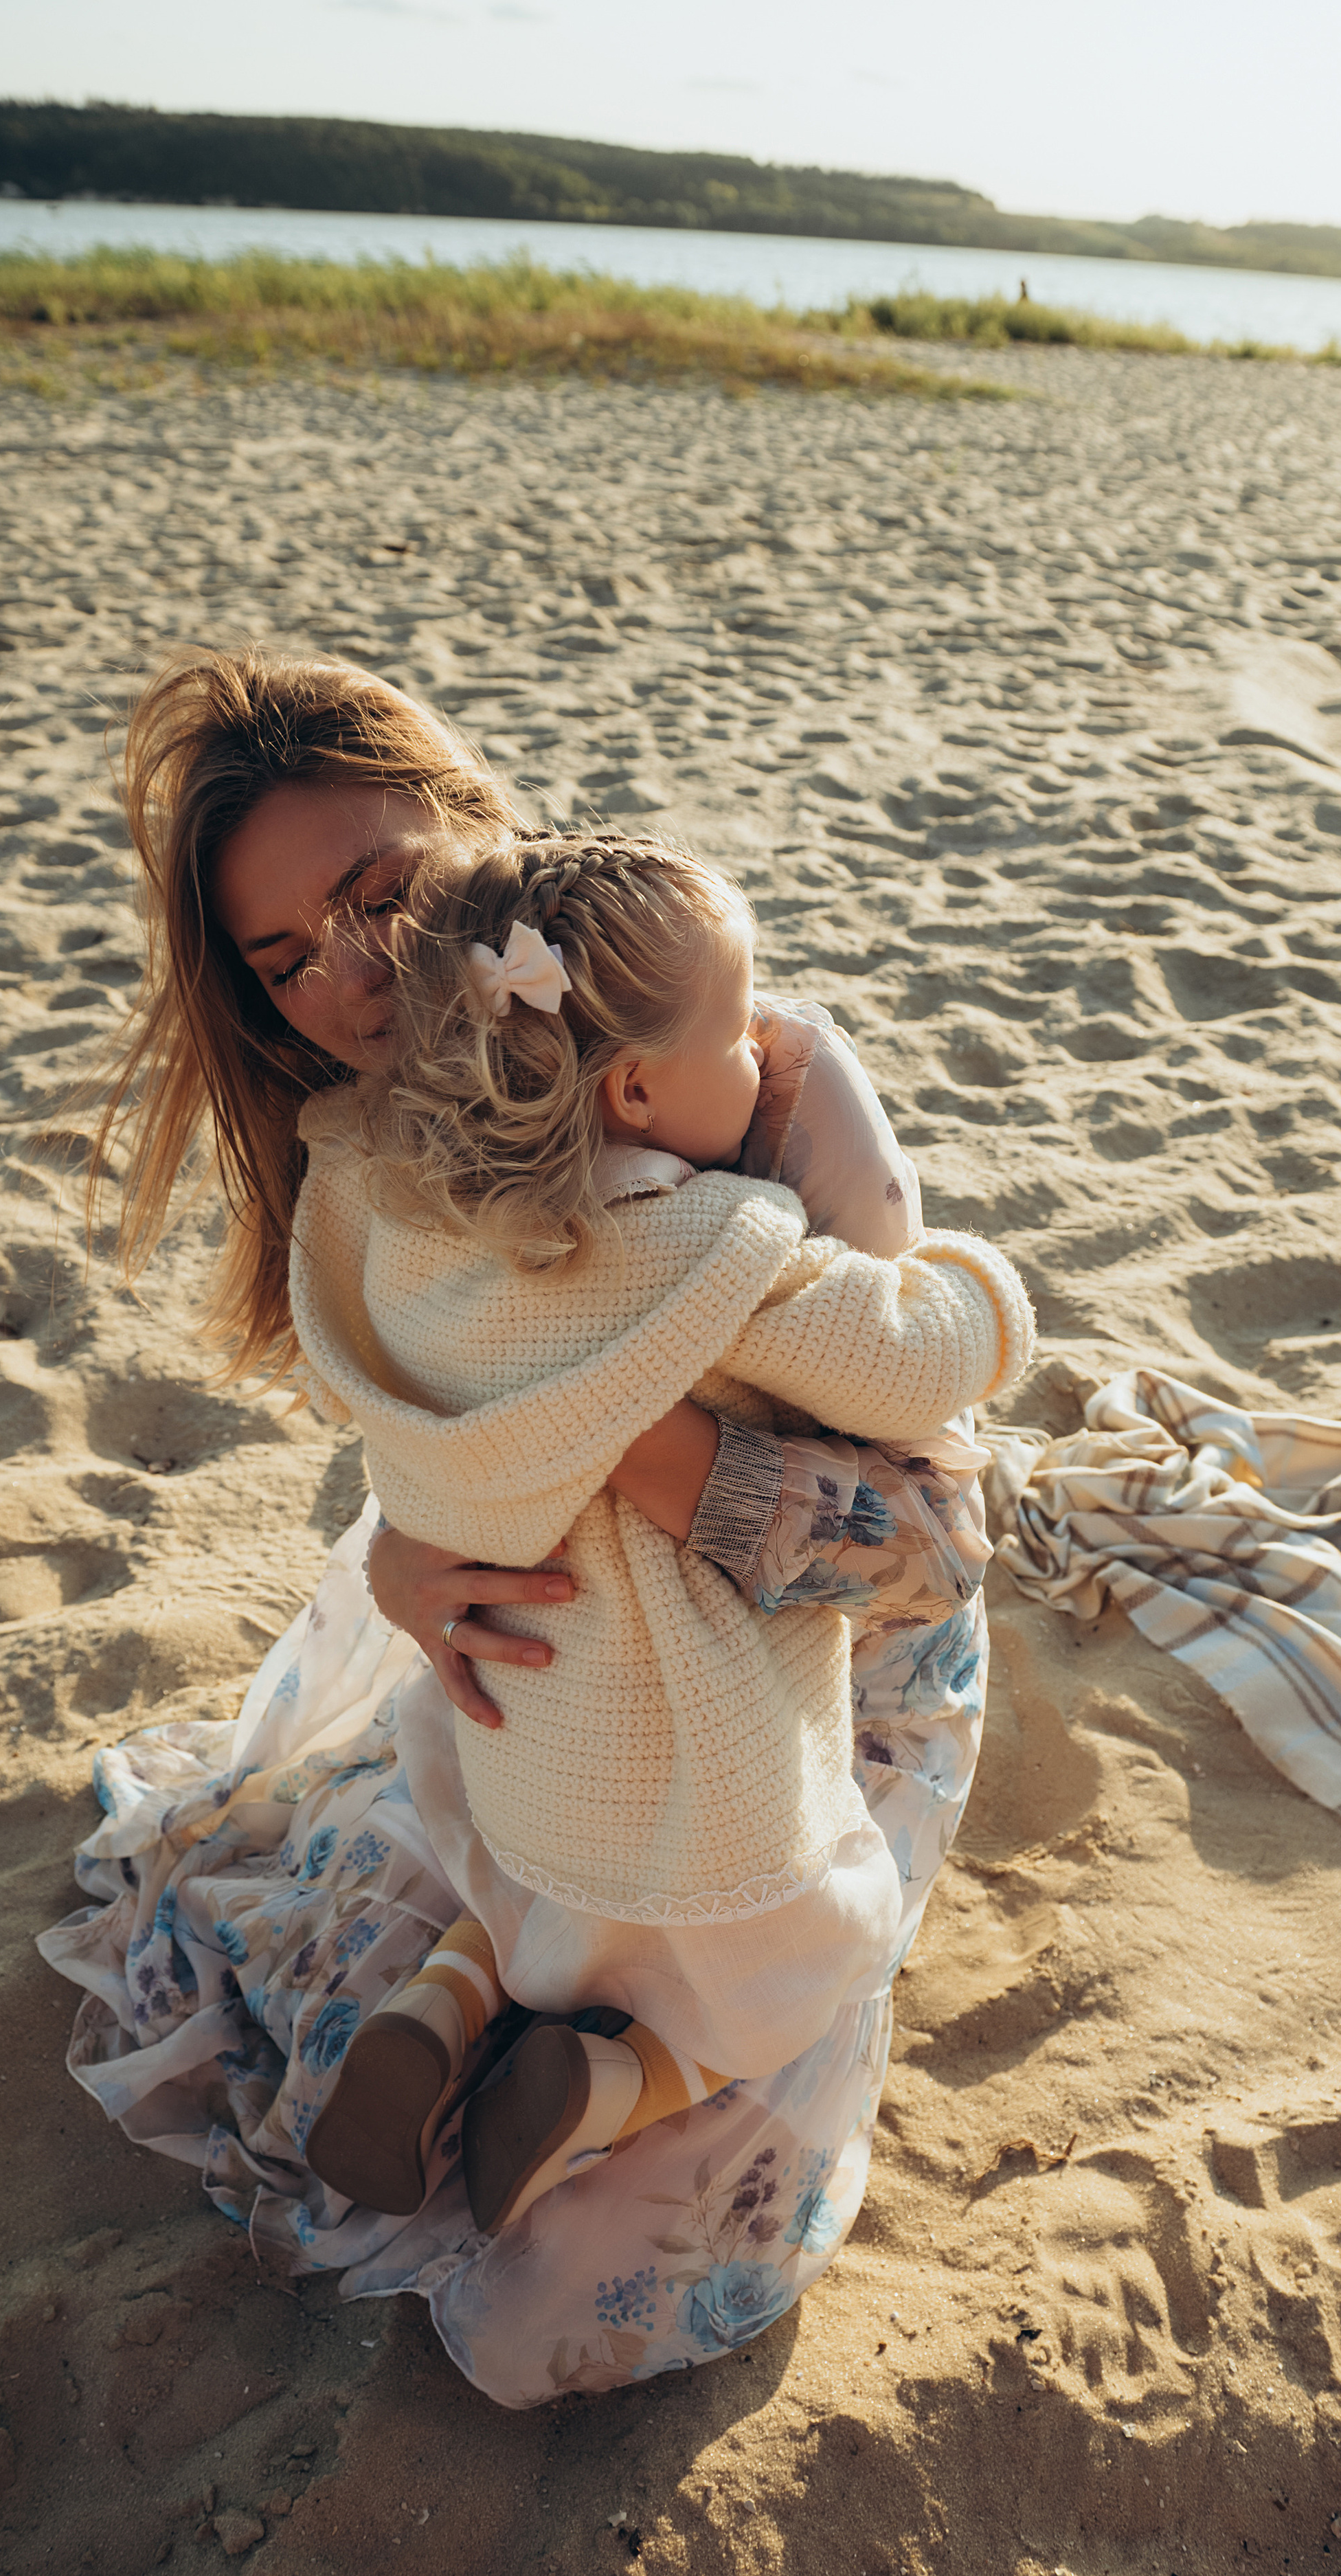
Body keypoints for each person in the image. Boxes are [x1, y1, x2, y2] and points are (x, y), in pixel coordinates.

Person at [38, 644, 1034, 2406]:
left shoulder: (726, 1066)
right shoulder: (373, 1154)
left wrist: (657, 1461)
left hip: (813, 1658)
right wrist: (411, 1560)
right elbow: (431, 1417)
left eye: (375, 894)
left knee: (573, 2270)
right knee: (354, 1955)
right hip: (542, 1650)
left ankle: (512, 2011)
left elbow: (945, 1542)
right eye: (287, 958)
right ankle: (487, 2002)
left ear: (472, 829)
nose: (349, 974)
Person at [288, 829, 1024, 2235]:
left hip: (516, 1719)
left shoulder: (407, 1228)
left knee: (530, 1894)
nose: (761, 1045)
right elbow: (920, 1354)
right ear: (633, 1086)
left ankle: (443, 2005)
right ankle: (610, 2083)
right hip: (693, 1757)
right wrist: (975, 1282)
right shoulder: (708, 1248)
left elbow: (336, 1351)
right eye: (737, 1030)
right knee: (785, 1972)